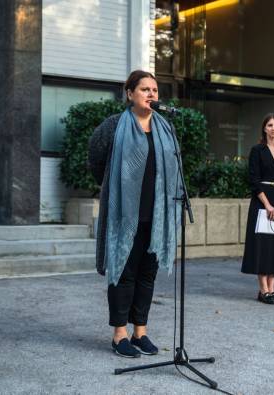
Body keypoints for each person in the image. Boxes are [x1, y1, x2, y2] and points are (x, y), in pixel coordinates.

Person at [88, 70, 182, 358]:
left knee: (147, 275)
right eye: (144, 89)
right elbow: (96, 160)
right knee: (124, 272)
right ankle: (120, 335)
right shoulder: (114, 126)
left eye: (154, 90)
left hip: (157, 216)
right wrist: (114, 191)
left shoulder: (166, 128)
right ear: (130, 93)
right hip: (124, 216)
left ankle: (140, 331)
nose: (151, 94)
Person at [241, 113, 274, 304]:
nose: (273, 128)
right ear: (264, 129)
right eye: (270, 125)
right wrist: (268, 204)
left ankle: (272, 289)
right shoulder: (257, 150)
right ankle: (263, 290)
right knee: (262, 245)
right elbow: (254, 180)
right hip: (262, 201)